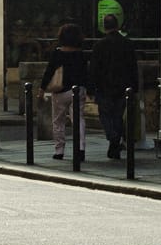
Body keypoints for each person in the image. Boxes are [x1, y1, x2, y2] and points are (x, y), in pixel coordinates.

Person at [89, 13, 138, 160]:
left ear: (104, 27)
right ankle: (115, 140)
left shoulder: (99, 45)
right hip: (123, 87)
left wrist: (91, 87)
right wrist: (135, 87)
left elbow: (94, 69)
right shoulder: (127, 44)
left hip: (104, 87)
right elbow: (133, 67)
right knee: (117, 115)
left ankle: (113, 137)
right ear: (118, 26)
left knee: (105, 115)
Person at [43, 22, 89, 161]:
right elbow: (85, 73)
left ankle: (59, 150)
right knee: (78, 119)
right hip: (78, 89)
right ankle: (80, 148)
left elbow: (49, 71)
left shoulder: (57, 53)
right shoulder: (80, 54)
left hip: (60, 91)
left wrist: (42, 88)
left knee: (58, 121)